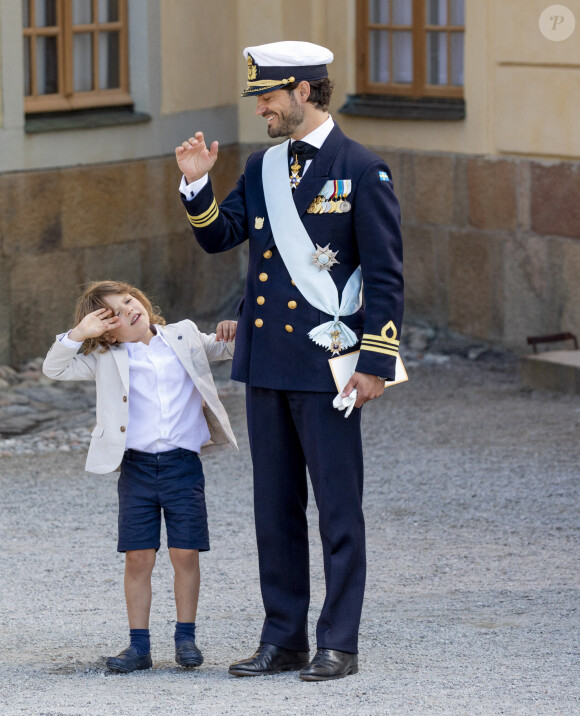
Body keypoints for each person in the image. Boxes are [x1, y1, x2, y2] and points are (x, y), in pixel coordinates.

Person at [175, 40, 403, 681]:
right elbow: (223, 236)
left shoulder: (362, 168)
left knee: (337, 507)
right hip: (267, 360)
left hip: (329, 367)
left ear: (304, 90)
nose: (262, 110)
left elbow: (385, 276)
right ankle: (284, 638)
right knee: (273, 509)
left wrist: (376, 361)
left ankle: (339, 640)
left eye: (269, 96)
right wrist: (197, 182)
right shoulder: (262, 167)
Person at [43, 280, 238, 673]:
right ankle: (139, 646)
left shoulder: (183, 336)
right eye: (113, 313)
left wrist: (235, 327)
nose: (129, 310)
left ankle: (186, 637)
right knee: (138, 557)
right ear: (106, 330)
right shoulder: (107, 358)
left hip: (183, 466)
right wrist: (80, 334)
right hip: (137, 467)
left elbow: (230, 347)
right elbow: (55, 367)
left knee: (185, 552)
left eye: (129, 300)